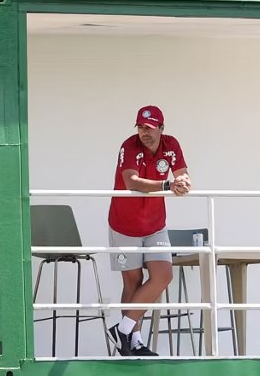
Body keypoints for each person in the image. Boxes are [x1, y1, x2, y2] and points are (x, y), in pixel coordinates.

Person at [106, 104, 192, 357]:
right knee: (132, 282)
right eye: (141, 127)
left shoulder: (171, 145)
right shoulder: (129, 145)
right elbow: (131, 181)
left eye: (150, 127)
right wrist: (168, 184)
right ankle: (134, 342)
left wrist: (183, 183)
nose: (145, 132)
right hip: (124, 223)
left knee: (163, 275)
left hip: (155, 224)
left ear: (161, 129)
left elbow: (183, 175)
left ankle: (122, 329)